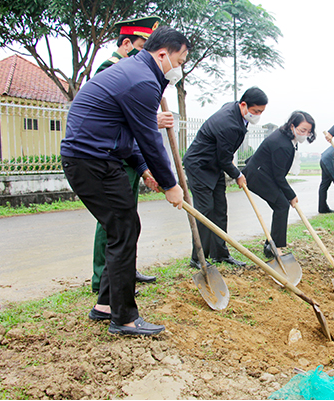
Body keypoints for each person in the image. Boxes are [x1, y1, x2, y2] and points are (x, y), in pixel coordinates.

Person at [61, 26, 189, 335]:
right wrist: (171, 185)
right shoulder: (142, 81)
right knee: (124, 228)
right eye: (181, 60)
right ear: (163, 54)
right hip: (92, 161)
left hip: (94, 159)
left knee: (122, 227)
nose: (181, 67)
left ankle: (106, 304)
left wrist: (145, 171)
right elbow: (148, 138)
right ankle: (124, 318)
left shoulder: (135, 72)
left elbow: (126, 135)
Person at [91, 16, 165, 294]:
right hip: (112, 159)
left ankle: (125, 270)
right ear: (126, 44)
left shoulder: (138, 74)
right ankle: (103, 278)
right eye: (143, 45)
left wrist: (145, 168)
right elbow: (116, 120)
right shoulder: (110, 70)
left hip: (130, 158)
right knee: (112, 222)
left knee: (128, 219)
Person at [183, 87, 268, 268]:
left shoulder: (236, 111)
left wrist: (235, 173)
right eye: (256, 111)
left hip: (214, 166)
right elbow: (224, 158)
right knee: (205, 210)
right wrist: (238, 175)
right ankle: (197, 257)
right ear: (243, 105)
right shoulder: (228, 123)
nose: (258, 115)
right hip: (199, 165)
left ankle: (220, 254)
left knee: (220, 209)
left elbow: (222, 158)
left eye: (261, 112)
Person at [243, 111, 316, 257]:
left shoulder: (286, 137)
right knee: (282, 205)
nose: (305, 134)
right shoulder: (282, 144)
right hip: (258, 176)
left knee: (281, 205)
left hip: (264, 173)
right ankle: (274, 247)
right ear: (292, 126)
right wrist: (291, 195)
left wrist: (287, 194)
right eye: (302, 130)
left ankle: (272, 245)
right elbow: (279, 176)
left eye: (309, 131)